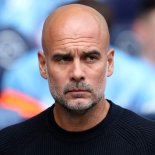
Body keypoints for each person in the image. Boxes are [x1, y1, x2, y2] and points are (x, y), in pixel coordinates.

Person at [1, 4, 155, 155]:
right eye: (63, 59)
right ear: (43, 65)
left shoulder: (148, 142)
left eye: (90, 58)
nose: (77, 73)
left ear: (109, 63)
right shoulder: (8, 145)